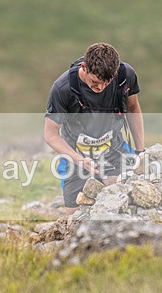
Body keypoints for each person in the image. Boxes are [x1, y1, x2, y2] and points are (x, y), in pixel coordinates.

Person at [44, 42, 145, 214]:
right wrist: (79, 160)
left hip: (113, 149)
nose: (101, 88)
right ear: (84, 67)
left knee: (125, 199)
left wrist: (140, 151)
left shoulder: (125, 75)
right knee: (75, 215)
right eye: (95, 82)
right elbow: (50, 134)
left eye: (107, 83)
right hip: (75, 153)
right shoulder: (63, 88)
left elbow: (133, 108)